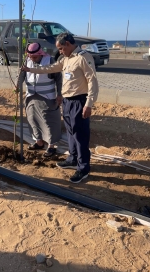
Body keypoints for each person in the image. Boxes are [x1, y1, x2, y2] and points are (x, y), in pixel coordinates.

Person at [22, 32, 99, 183]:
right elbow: (50, 68)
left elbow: (93, 82)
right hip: (67, 101)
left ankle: (83, 168)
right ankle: (72, 159)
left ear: (68, 44)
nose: (60, 51)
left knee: (80, 135)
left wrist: (89, 104)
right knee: (70, 132)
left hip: (79, 101)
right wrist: (30, 70)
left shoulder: (83, 58)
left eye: (61, 48)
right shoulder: (66, 59)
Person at [21, 42, 62, 157]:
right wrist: (18, 86)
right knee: (32, 119)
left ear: (40, 54)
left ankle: (51, 145)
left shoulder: (50, 61)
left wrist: (59, 94)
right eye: (30, 56)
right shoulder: (27, 60)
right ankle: (38, 142)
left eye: (34, 57)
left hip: (47, 97)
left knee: (48, 121)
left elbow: (59, 79)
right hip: (31, 96)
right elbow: (22, 75)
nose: (32, 59)